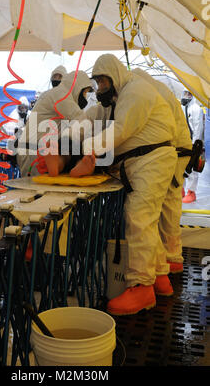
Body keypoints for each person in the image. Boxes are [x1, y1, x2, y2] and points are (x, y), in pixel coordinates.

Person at [81, 54, 178, 315]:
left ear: (115, 75)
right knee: (147, 221)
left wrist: (85, 151)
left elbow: (120, 130)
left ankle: (141, 288)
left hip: (151, 161)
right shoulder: (120, 97)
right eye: (97, 82)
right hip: (144, 163)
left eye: (103, 81)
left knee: (139, 219)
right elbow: (96, 121)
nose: (100, 87)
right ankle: (159, 277)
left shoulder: (135, 91)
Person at [133, 69, 192, 277]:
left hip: (174, 153)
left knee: (168, 204)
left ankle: (171, 256)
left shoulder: (153, 93)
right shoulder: (158, 90)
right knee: (169, 203)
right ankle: (171, 255)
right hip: (176, 152)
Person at [16, 71, 93, 177]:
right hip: (35, 153)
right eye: (85, 92)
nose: (85, 97)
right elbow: (82, 120)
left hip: (37, 151)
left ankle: (59, 163)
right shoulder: (61, 94)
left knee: (40, 190)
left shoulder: (53, 94)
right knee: (40, 191)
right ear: (78, 87)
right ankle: (59, 163)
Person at [181, 90, 204, 203]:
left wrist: (196, 145)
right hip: (182, 142)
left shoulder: (196, 109)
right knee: (181, 166)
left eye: (189, 94)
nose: (186, 96)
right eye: (184, 93)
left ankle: (191, 192)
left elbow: (198, 127)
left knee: (191, 167)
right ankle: (181, 189)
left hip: (192, 143)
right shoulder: (181, 107)